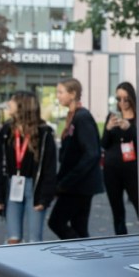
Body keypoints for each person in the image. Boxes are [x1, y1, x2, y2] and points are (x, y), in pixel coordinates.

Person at [0, 91, 57, 243]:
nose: (8, 104)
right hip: (12, 185)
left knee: (35, 239)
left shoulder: (44, 133)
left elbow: (49, 167)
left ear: (22, 105)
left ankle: (34, 266)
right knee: (13, 238)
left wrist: (45, 198)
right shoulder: (7, 131)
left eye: (12, 101)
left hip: (35, 188)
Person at [49, 77, 102, 240]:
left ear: (72, 94)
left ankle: (85, 252)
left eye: (60, 92)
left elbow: (91, 153)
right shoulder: (73, 116)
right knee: (79, 226)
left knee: (56, 222)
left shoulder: (82, 117)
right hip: (76, 183)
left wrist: (67, 181)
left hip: (79, 184)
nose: (58, 96)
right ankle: (84, 256)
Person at [101, 81, 139, 235]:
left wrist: (130, 128)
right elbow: (103, 144)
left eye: (125, 99)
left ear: (132, 98)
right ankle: (121, 240)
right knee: (117, 210)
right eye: (118, 99)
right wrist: (109, 129)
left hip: (133, 169)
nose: (122, 103)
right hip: (112, 169)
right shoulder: (112, 117)